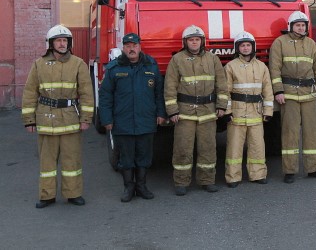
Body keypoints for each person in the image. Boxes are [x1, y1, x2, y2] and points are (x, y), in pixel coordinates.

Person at [21, 25, 94, 208]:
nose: (62, 44)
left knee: (72, 160)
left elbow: (86, 93)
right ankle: (47, 195)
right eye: (58, 40)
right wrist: (29, 120)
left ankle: (73, 194)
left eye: (65, 41)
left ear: (70, 43)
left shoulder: (78, 63)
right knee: (47, 162)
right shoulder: (39, 64)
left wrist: (86, 118)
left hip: (70, 119)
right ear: (51, 43)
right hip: (46, 119)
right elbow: (30, 92)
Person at [98, 33, 166, 202]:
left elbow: (159, 92)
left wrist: (160, 113)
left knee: (144, 156)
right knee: (126, 158)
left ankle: (142, 186)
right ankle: (128, 187)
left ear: (139, 47)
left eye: (134, 45)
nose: (131, 49)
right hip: (123, 121)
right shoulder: (114, 69)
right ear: (123, 48)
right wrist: (106, 119)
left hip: (146, 119)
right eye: (128, 46)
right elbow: (105, 96)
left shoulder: (151, 65)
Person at [164, 25, 229, 196]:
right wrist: (172, 111)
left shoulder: (212, 59)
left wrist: (222, 106)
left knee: (208, 148)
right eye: (191, 40)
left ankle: (207, 181)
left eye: (197, 40)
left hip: (208, 112)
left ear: (202, 41)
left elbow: (221, 85)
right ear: (185, 42)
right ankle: (181, 182)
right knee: (182, 148)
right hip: (184, 113)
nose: (194, 43)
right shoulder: (177, 60)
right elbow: (170, 87)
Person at [269, 11, 316, 183]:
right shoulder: (279, 43)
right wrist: (278, 91)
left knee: (312, 133)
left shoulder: (311, 44)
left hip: (309, 94)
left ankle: (314, 168)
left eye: (303, 25)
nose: (301, 28)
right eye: (298, 25)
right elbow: (274, 69)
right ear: (290, 26)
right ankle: (289, 171)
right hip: (289, 95)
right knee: (290, 133)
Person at [224, 31, 274, 187]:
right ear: (237, 48)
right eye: (242, 45)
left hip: (256, 113)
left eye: (248, 45)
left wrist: (268, 111)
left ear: (253, 47)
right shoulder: (230, 66)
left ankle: (258, 174)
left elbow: (267, 90)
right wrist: (227, 111)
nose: (245, 48)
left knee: (257, 146)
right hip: (237, 114)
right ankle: (233, 177)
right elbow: (225, 91)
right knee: (234, 148)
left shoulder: (261, 67)